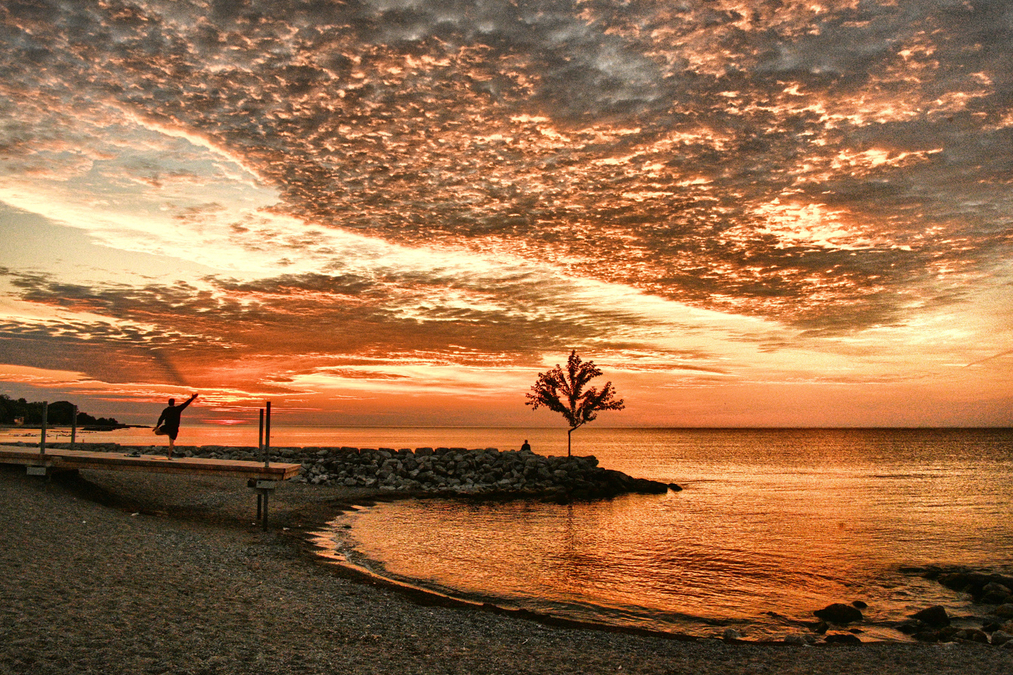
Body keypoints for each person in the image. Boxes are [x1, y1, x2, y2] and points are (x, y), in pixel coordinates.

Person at [154, 393, 198, 459]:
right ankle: (169, 456)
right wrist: (192, 398)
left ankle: (167, 433)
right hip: (174, 429)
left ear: (168, 403)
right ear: (174, 403)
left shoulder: (166, 410)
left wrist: (157, 426)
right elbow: (186, 404)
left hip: (167, 427)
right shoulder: (177, 409)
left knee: (156, 432)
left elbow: (161, 418)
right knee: (171, 443)